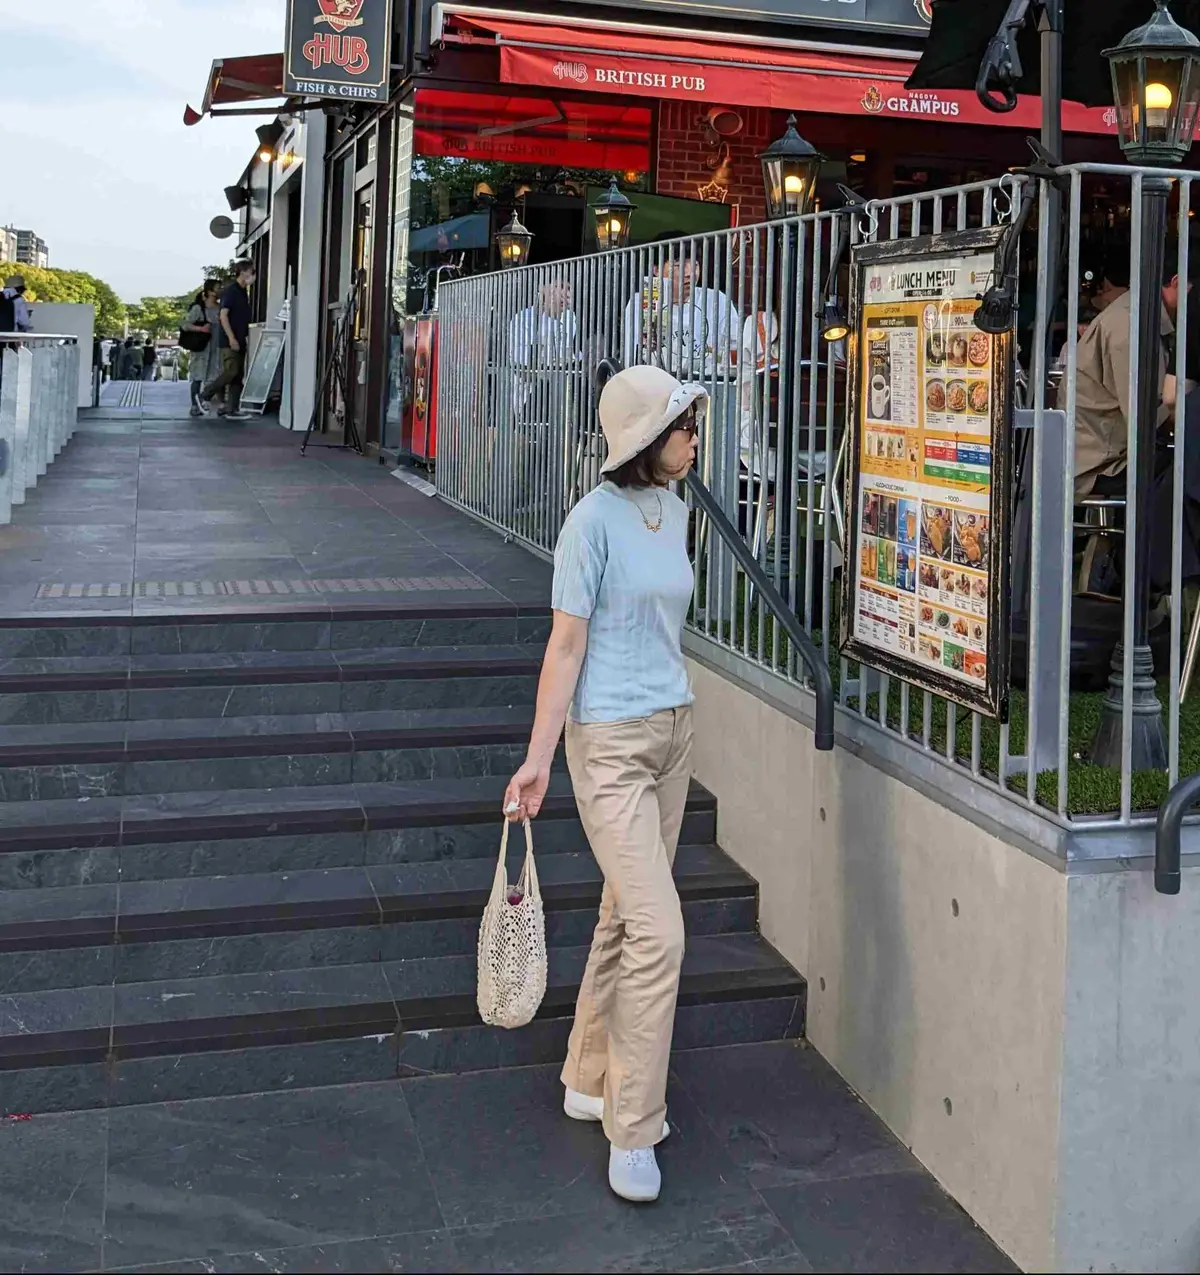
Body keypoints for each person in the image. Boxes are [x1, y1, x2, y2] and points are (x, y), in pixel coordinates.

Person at [503, 364, 706, 1205]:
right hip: (611, 745)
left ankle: (587, 1073)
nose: (695, 437)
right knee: (662, 932)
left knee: (628, 916)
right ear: (647, 441)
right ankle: (634, 1124)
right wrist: (539, 755)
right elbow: (565, 647)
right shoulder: (589, 523)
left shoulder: (675, 512)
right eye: (683, 426)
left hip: (674, 731)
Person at [1061, 248, 1193, 499]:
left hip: (1110, 450)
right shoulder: (1132, 326)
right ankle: (1151, 539)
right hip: (1100, 465)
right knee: (1189, 472)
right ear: (1177, 282)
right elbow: (1144, 417)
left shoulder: (1144, 314)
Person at [201, 259, 255, 418]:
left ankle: (232, 408)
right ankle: (205, 395)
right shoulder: (231, 291)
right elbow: (223, 316)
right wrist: (231, 338)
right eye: (252, 272)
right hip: (230, 340)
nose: (254, 276)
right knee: (231, 371)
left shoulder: (242, 291)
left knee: (237, 375)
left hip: (240, 338)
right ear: (243, 272)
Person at [183, 280, 221, 418]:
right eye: (218, 288)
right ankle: (194, 405)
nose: (220, 290)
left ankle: (205, 400)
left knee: (213, 377)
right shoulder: (199, 308)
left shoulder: (220, 307)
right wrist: (201, 328)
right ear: (210, 291)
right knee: (197, 377)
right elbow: (185, 324)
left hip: (216, 347)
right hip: (201, 348)